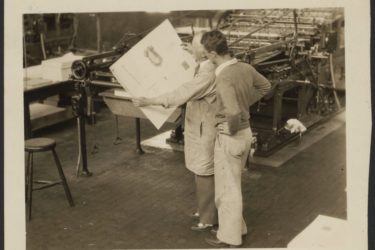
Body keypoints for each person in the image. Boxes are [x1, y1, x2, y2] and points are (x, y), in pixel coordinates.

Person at [132, 31, 218, 231]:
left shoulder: (208, 73)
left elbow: (182, 93)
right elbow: (199, 69)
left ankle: (207, 219)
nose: (191, 48)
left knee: (204, 172)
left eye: (195, 47)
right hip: (200, 126)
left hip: (205, 129)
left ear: (206, 53)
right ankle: (205, 209)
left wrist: (149, 100)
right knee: (200, 170)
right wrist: (194, 54)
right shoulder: (206, 64)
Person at [200, 30, 271, 247]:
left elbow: (231, 112)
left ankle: (229, 238)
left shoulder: (223, 76)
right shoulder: (245, 68)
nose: (205, 59)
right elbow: (265, 86)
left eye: (205, 55)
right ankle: (238, 228)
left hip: (231, 137)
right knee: (233, 186)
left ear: (213, 54)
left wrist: (231, 127)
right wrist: (243, 106)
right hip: (246, 134)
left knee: (227, 192)